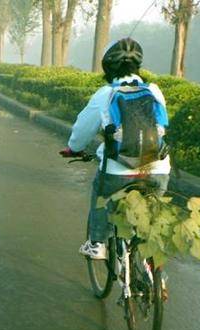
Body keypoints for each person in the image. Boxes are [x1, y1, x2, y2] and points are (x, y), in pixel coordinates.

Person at [60, 38, 170, 260]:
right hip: (157, 169)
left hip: (117, 170)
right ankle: (156, 273)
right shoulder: (155, 91)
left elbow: (82, 130)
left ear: (108, 68)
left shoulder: (106, 93)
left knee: (100, 193)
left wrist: (74, 149)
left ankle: (97, 243)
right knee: (151, 224)